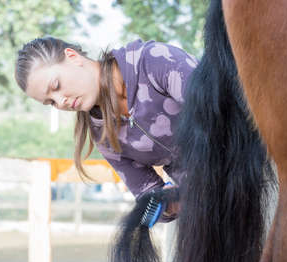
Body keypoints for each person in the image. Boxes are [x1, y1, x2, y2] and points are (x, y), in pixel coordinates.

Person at [15, 36, 197, 224]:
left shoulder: (153, 61)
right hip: (210, 202)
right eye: (51, 102)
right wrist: (169, 203)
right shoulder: (102, 135)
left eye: (56, 86)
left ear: (72, 57)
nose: (61, 101)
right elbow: (147, 194)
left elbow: (220, 113)